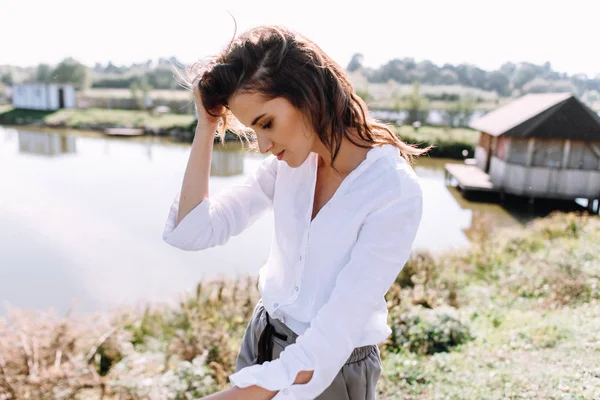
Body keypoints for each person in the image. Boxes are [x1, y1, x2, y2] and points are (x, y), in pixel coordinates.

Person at [162, 25, 428, 400]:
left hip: (331, 369)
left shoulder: (393, 190)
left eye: (266, 123)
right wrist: (205, 127)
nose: (263, 145)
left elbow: (332, 335)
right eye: (254, 130)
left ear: (307, 95)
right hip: (262, 340)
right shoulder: (290, 165)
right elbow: (192, 231)